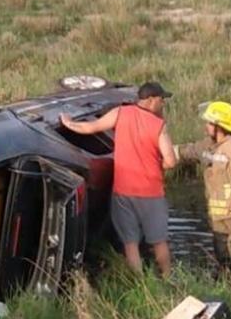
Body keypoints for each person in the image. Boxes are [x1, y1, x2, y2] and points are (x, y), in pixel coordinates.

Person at [60, 82, 178, 276]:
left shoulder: (120, 113)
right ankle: (167, 278)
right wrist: (158, 166)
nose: (163, 103)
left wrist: (68, 123)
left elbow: (91, 128)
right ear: (150, 100)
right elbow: (171, 161)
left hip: (123, 192)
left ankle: (139, 283)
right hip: (151, 193)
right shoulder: (159, 126)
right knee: (159, 241)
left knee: (130, 243)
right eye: (161, 99)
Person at [175, 101, 231, 275]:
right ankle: (226, 286)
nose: (206, 126)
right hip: (218, 219)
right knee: (223, 262)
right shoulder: (207, 146)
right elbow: (188, 151)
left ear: (220, 126)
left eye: (210, 123)